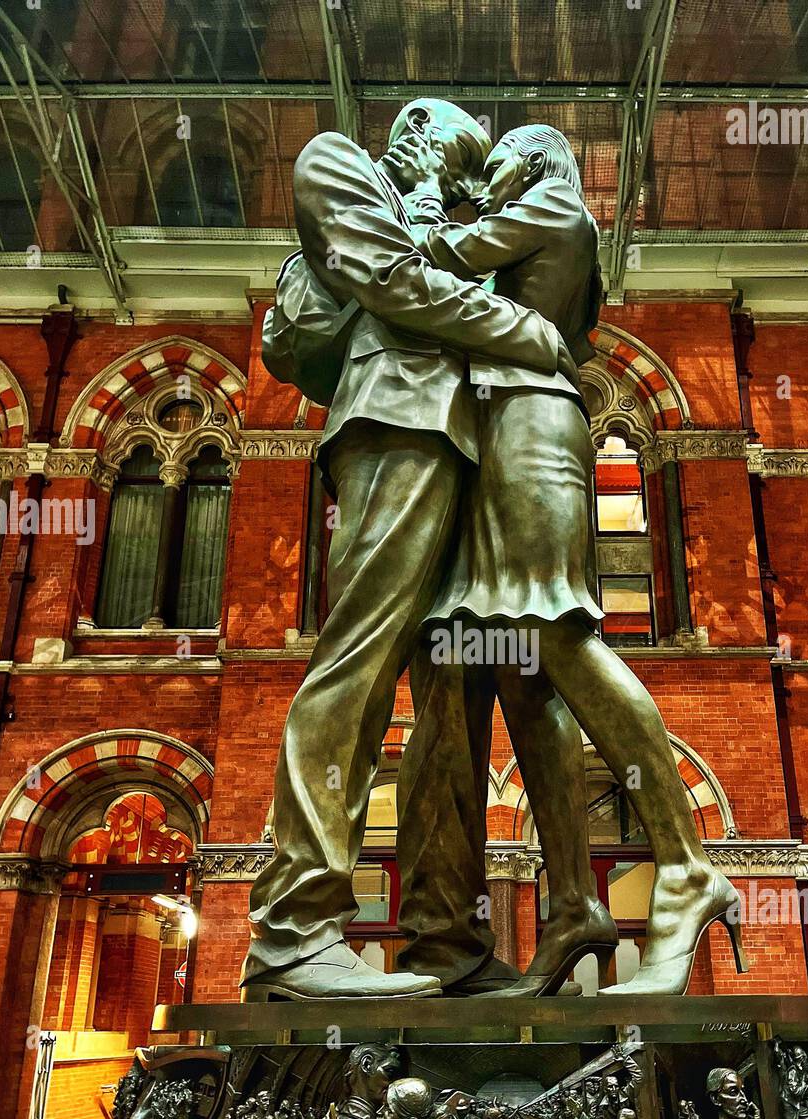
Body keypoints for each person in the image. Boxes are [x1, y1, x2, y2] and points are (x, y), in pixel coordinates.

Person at [241, 100, 582, 1001]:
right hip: (391, 425)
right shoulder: (337, 164)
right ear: (416, 135)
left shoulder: (450, 222)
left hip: (470, 448)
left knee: (454, 703)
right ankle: (293, 932)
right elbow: (377, 286)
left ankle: (445, 942)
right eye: (457, 165)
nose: (463, 190)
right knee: (354, 665)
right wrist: (527, 333)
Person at [397, 125, 743, 995]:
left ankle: (687, 866)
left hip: (529, 426)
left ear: (537, 156)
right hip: (500, 427)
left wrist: (433, 191)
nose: (492, 168)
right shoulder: (544, 223)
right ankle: (570, 908)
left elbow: (432, 256)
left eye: (502, 154)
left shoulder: (550, 202)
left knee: (554, 631)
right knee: (521, 670)